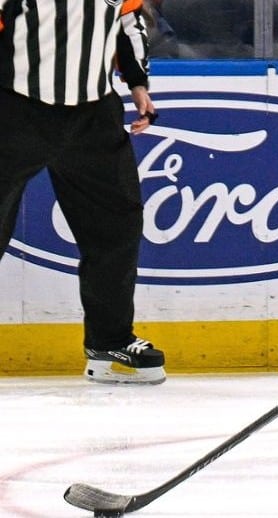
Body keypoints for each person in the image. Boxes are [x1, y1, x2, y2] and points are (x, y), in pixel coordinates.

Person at [0, 0, 166, 385]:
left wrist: (138, 84)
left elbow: (129, 22)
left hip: (94, 115)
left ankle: (109, 341)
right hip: (15, 108)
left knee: (116, 225)